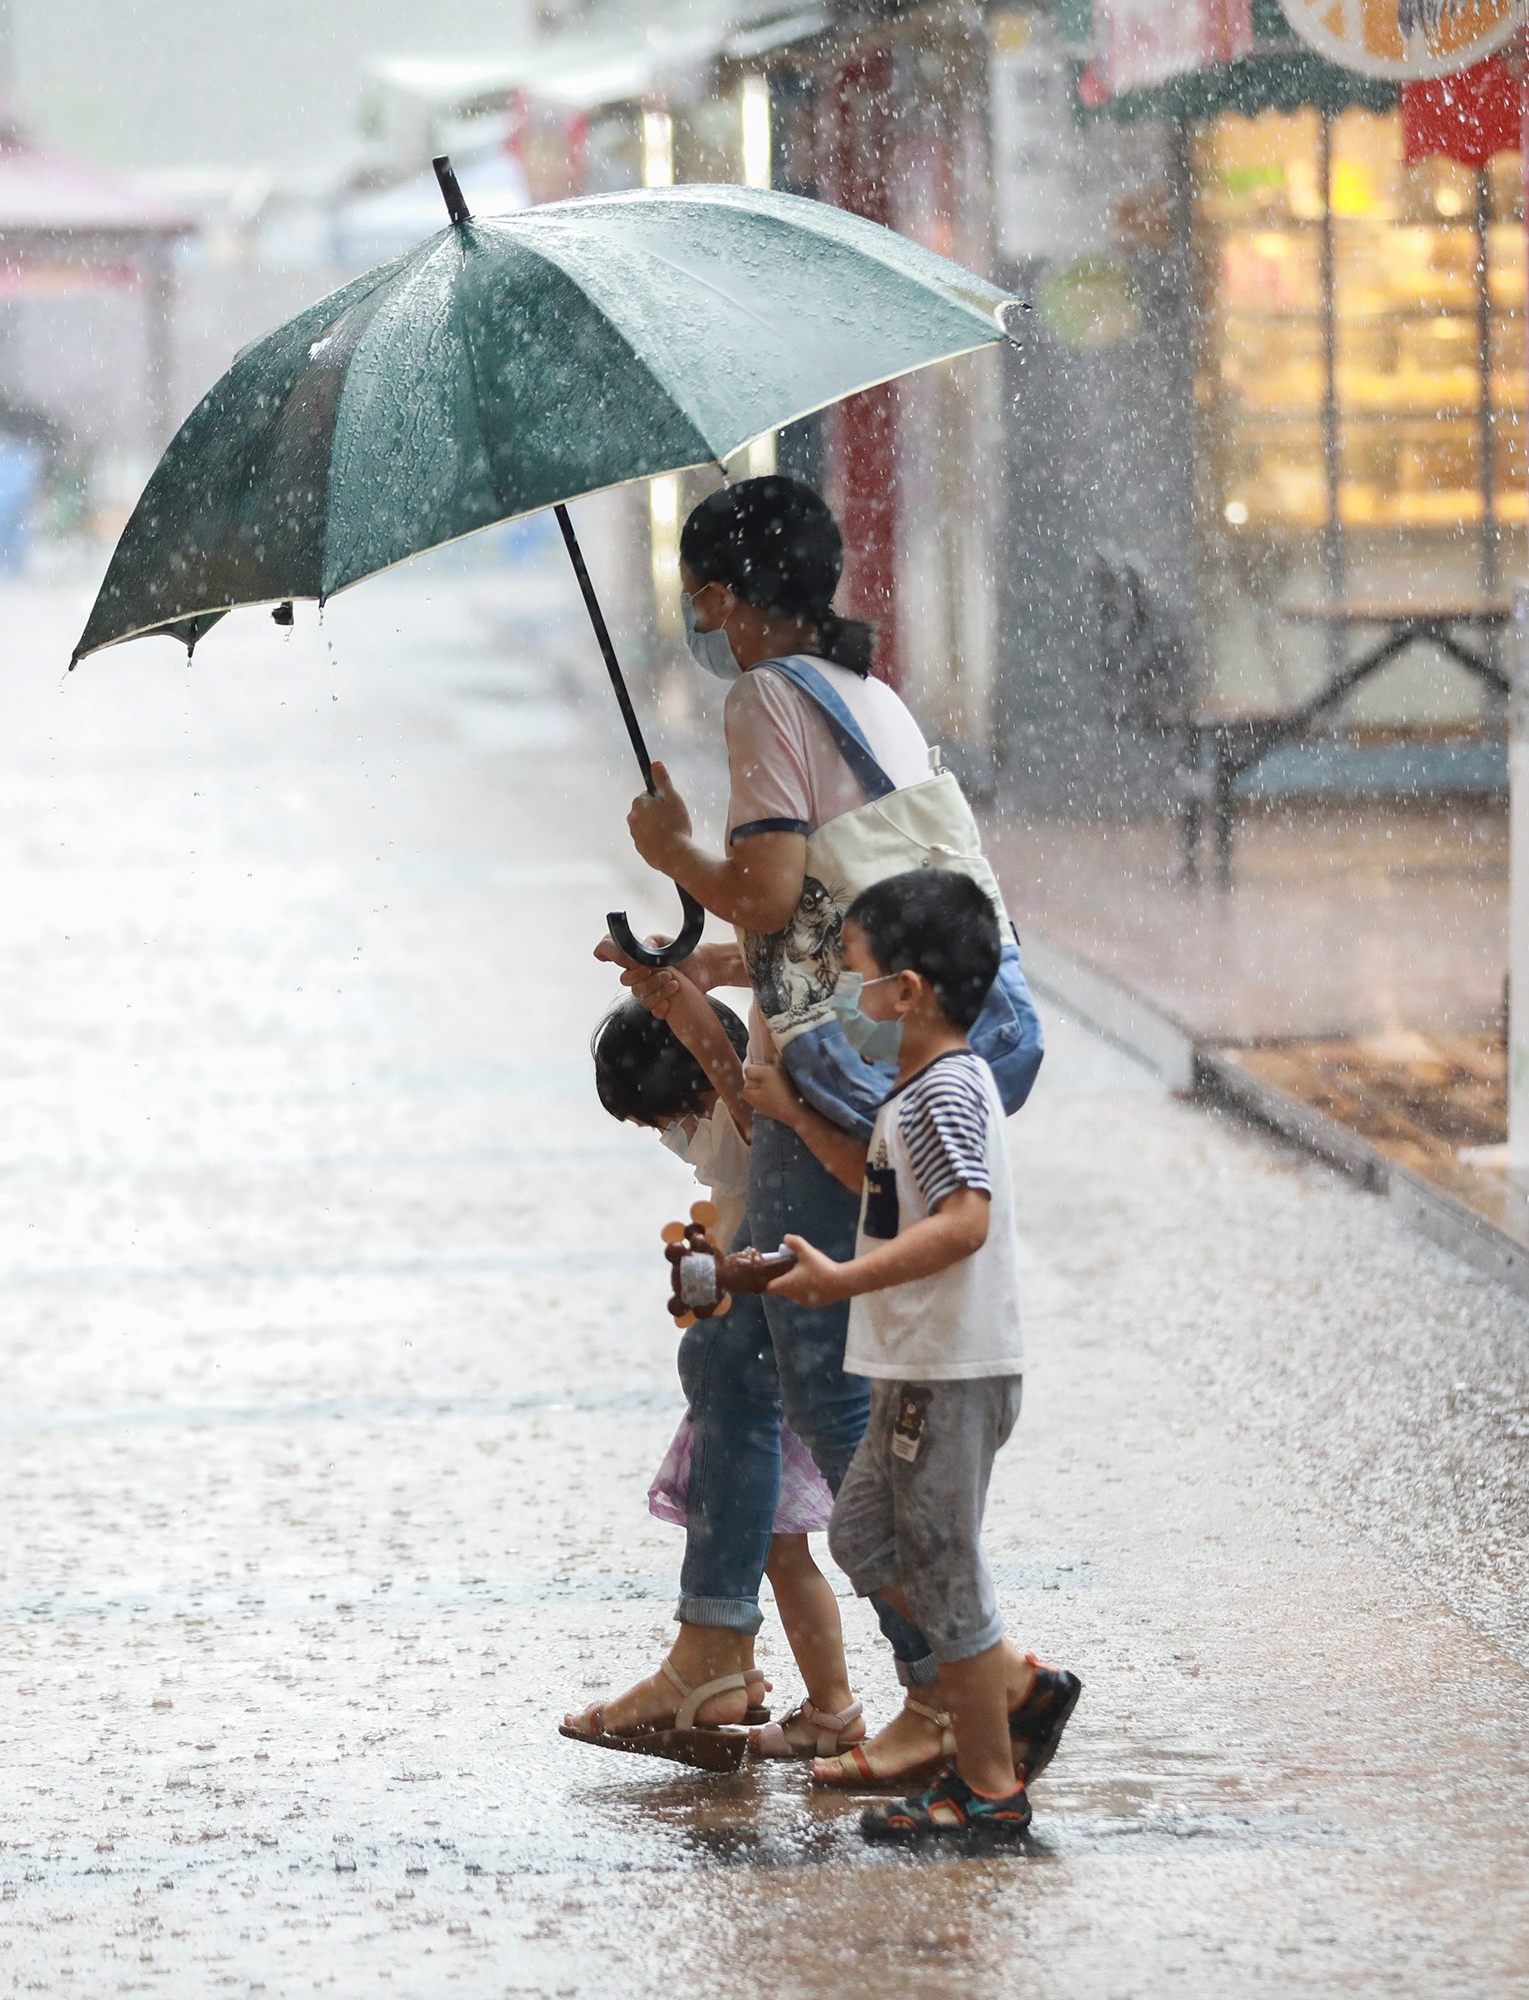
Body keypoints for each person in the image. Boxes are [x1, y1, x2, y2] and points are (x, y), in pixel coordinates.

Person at [564, 475, 1036, 1773]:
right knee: (744, 1356)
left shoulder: (766, 694)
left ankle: (962, 1678)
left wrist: (676, 850)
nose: (699, 613)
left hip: (833, 1080)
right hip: (873, 1044)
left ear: (718, 595)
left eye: (702, 593)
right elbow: (827, 910)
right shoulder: (867, 697)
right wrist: (711, 966)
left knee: (821, 1375)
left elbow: (772, 889)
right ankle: (733, 1651)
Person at [759, 870, 1082, 1848]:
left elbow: (962, 1223)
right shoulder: (920, 1088)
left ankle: (988, 1784)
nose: (842, 993)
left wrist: (845, 1283)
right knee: (866, 1537)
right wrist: (798, 1116)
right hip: (916, 1367)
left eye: (851, 970)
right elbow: (883, 1183)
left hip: (948, 1372)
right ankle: (1015, 1685)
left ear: (909, 990)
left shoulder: (945, 1090)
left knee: (945, 1576)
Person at [566, 978, 867, 1762]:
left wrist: (681, 1001)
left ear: (709, 1086)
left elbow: (728, 1079)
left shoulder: (757, 1130)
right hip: (759, 1373)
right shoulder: (741, 1174)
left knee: (792, 1544)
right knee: (779, 1549)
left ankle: (764, 1680)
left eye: (678, 1121)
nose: (677, 1140)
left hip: (771, 1386)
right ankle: (804, 1700)